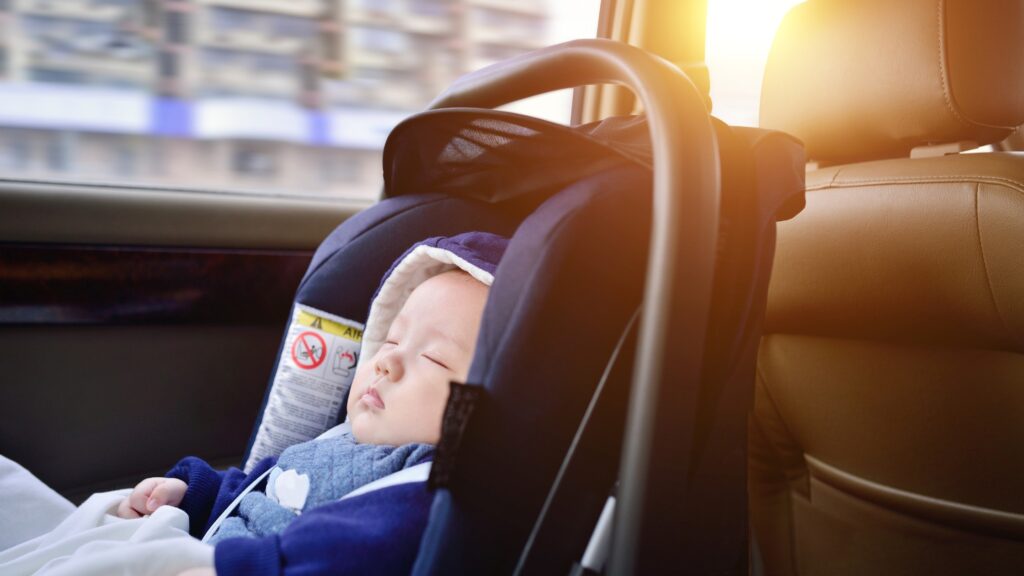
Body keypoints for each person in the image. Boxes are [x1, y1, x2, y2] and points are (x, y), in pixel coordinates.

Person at [0, 232, 507, 576]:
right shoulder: (340, 439)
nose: (386, 364)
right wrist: (192, 494)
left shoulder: (418, 488)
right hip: (204, 541)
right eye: (390, 342)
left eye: (436, 360)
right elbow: (255, 491)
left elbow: (349, 554)